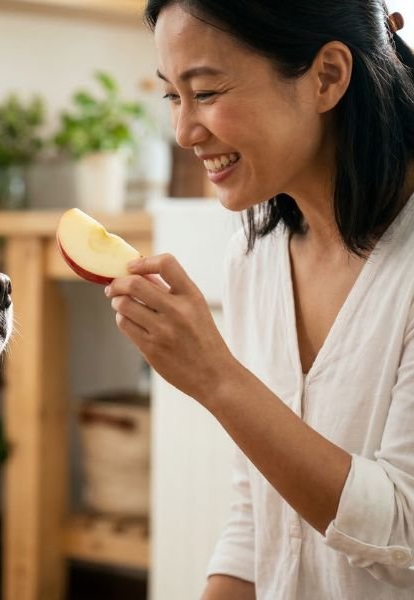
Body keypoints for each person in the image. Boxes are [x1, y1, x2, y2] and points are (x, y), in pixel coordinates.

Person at [104, 1, 414, 598]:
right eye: (173, 96)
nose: (185, 131)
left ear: (327, 76)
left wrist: (217, 380)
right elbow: (261, 514)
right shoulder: (255, 253)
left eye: (207, 90)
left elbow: (402, 537)